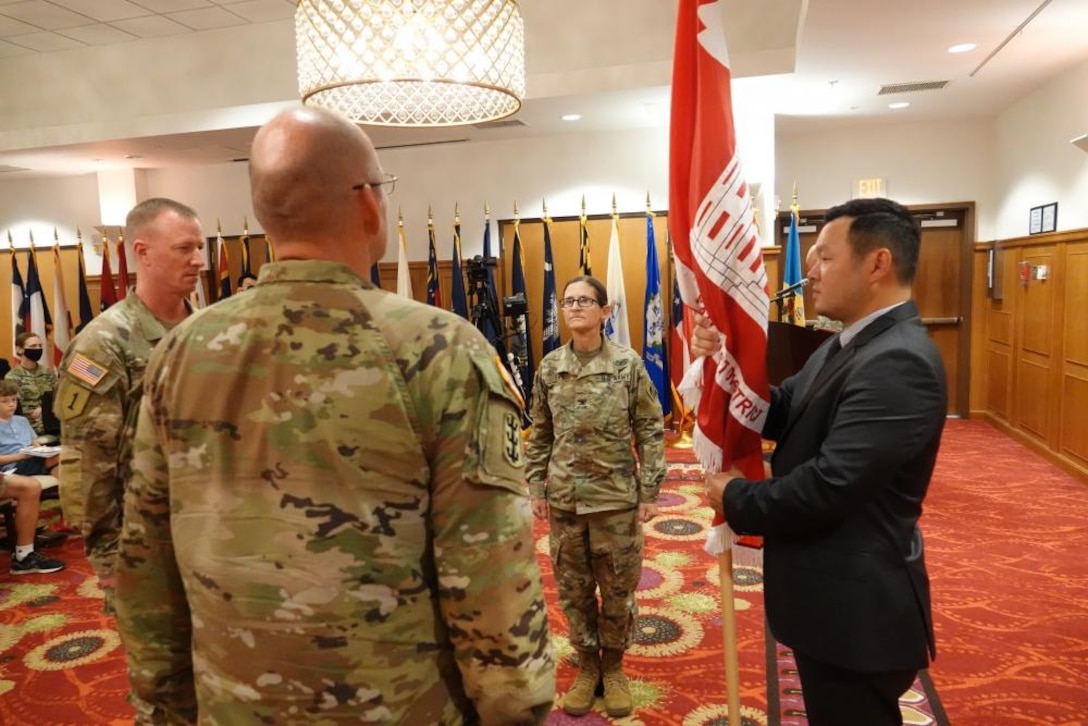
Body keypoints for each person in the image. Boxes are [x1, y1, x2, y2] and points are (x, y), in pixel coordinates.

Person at [114, 106, 555, 725]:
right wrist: (517, 712)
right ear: (369, 204)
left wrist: (165, 708)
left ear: (267, 214)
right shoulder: (439, 349)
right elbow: (487, 574)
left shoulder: (178, 353)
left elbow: (146, 562)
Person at [696, 197, 947, 726]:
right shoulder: (849, 343)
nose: (809, 272)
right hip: (831, 600)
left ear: (878, 263)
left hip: (858, 614)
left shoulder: (897, 360)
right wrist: (725, 362)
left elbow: (833, 485)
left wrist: (736, 497)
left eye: (825, 259)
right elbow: (783, 409)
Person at [55, 197, 205, 609]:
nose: (198, 260)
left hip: (208, 533)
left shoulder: (205, 330)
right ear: (142, 251)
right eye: (183, 248)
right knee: (161, 669)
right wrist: (108, 559)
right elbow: (89, 460)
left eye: (200, 247)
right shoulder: (103, 344)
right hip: (145, 543)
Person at [526, 275, 665, 719]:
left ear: (605, 312)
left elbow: (649, 427)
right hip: (566, 501)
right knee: (575, 591)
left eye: (585, 301)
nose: (575, 308)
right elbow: (540, 432)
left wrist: (650, 490)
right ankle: (588, 666)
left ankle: (615, 666)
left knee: (618, 590)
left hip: (616, 501)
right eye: (568, 301)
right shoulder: (549, 367)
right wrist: (535, 486)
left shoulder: (628, 365)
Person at [0, 381, 65, 575]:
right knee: (34, 482)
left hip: (31, 459)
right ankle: (24, 554)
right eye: (5, 401)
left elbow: (34, 442)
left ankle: (72, 516)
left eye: (13, 400)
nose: (11, 404)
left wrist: (39, 449)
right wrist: (21, 456)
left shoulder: (21, 421)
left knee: (64, 459)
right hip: (13, 464)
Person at [6, 332, 57, 436]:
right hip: (29, 430)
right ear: (19, 349)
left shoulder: (48, 372)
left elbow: (59, 396)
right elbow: (13, 407)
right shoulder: (12, 377)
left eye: (40, 346)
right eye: (33, 346)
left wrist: (45, 408)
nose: (37, 349)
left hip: (53, 427)